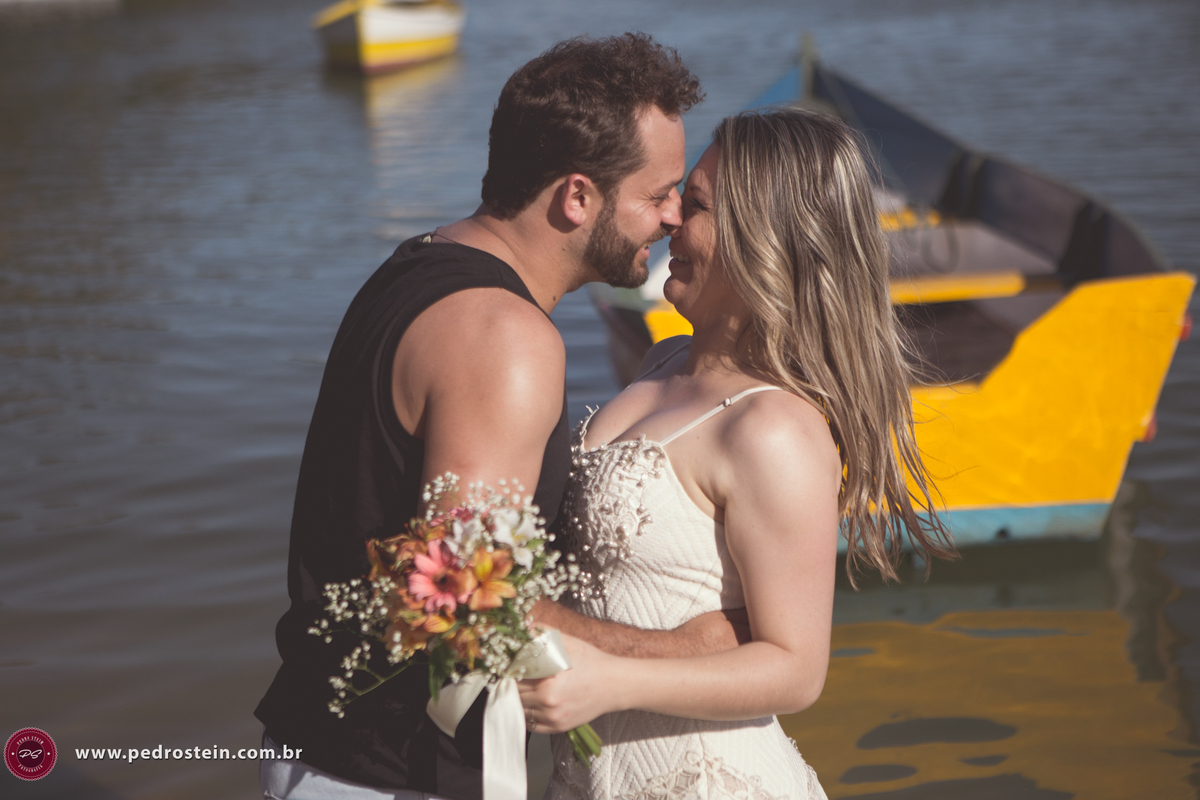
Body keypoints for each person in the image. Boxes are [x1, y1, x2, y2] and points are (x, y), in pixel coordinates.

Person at [253, 34, 749, 800]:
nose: (674, 217)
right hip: (389, 775)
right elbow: (467, 609)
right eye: (657, 194)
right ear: (577, 197)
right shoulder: (508, 340)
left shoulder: (418, 264)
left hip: (321, 745)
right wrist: (686, 647)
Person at [520, 108, 957, 799]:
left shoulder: (773, 428)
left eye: (692, 205)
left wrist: (610, 678)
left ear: (762, 241)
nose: (668, 221)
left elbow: (795, 668)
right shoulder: (663, 361)